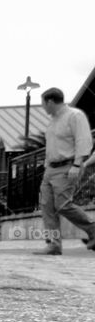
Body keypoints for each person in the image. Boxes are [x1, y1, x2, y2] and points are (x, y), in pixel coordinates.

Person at [37, 87, 95, 257]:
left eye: (43, 103)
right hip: (50, 169)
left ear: (50, 102)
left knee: (62, 205)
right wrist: (47, 165)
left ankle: (93, 229)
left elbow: (83, 140)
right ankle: (53, 245)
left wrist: (77, 165)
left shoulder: (74, 116)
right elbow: (52, 146)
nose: (43, 107)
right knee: (47, 206)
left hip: (67, 166)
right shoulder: (53, 121)